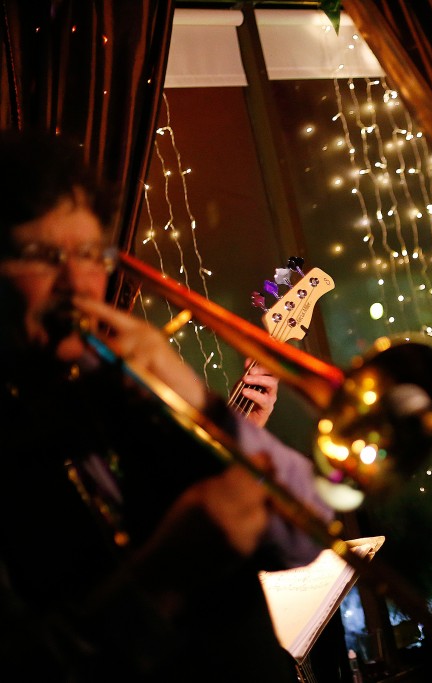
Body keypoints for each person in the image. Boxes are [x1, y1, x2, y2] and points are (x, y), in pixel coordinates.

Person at [0, 128, 335, 681]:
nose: (76, 283)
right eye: (41, 256)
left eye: (89, 254)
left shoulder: (124, 388)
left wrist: (198, 398)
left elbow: (310, 528)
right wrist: (160, 579)